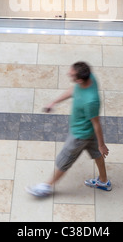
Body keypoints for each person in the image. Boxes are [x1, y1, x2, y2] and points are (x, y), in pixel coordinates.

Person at [26, 61, 111, 197]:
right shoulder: (89, 79)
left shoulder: (91, 101)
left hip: (79, 135)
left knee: (64, 160)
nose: (68, 74)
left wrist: (102, 144)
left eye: (71, 74)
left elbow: (96, 123)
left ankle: (46, 187)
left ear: (80, 79)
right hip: (88, 132)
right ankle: (103, 181)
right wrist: (54, 102)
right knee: (97, 154)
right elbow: (74, 90)